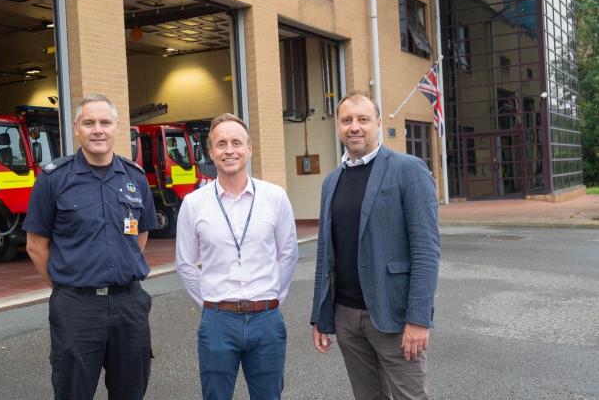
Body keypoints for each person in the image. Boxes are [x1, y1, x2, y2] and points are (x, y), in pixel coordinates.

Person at [23, 94, 157, 400]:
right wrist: (66, 286)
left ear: (116, 127)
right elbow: (36, 246)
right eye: (89, 123)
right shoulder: (54, 179)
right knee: (73, 391)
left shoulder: (135, 178)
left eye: (105, 122)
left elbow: (140, 237)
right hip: (76, 307)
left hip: (129, 304)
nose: (98, 130)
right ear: (76, 129)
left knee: (131, 390)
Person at [310, 91, 440, 400]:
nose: (354, 127)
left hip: (393, 316)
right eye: (347, 120)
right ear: (339, 127)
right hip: (347, 318)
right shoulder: (331, 181)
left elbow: (426, 250)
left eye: (363, 119)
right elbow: (325, 253)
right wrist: (321, 315)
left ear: (378, 123)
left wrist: (419, 318)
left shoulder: (408, 170)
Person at [175, 113, 299, 400]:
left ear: (249, 148)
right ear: (211, 152)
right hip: (218, 321)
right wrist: (211, 301)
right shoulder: (194, 204)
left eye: (236, 142)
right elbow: (185, 263)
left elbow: (288, 253)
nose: (229, 150)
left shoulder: (275, 197)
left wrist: (272, 296)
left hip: (266, 319)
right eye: (221, 144)